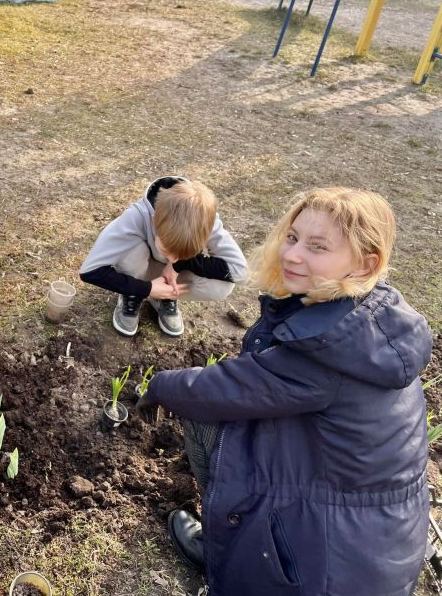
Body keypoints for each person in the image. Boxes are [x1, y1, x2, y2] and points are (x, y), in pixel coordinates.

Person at [136, 187, 432, 595]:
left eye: (317, 246)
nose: (291, 254)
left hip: (329, 572)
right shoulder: (369, 319)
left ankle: (224, 548)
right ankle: (227, 542)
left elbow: (222, 389)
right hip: (376, 535)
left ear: (366, 263)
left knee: (208, 421)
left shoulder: (328, 349)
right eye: (292, 238)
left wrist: (158, 386)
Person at [79, 176, 247, 337]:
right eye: (168, 251)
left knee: (222, 287)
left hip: (170, 275)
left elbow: (241, 272)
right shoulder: (136, 216)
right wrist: (145, 288)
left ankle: (165, 295)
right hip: (139, 268)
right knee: (131, 251)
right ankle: (132, 293)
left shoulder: (203, 218)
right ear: (154, 221)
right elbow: (89, 271)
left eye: (180, 255)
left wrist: (179, 265)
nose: (172, 259)